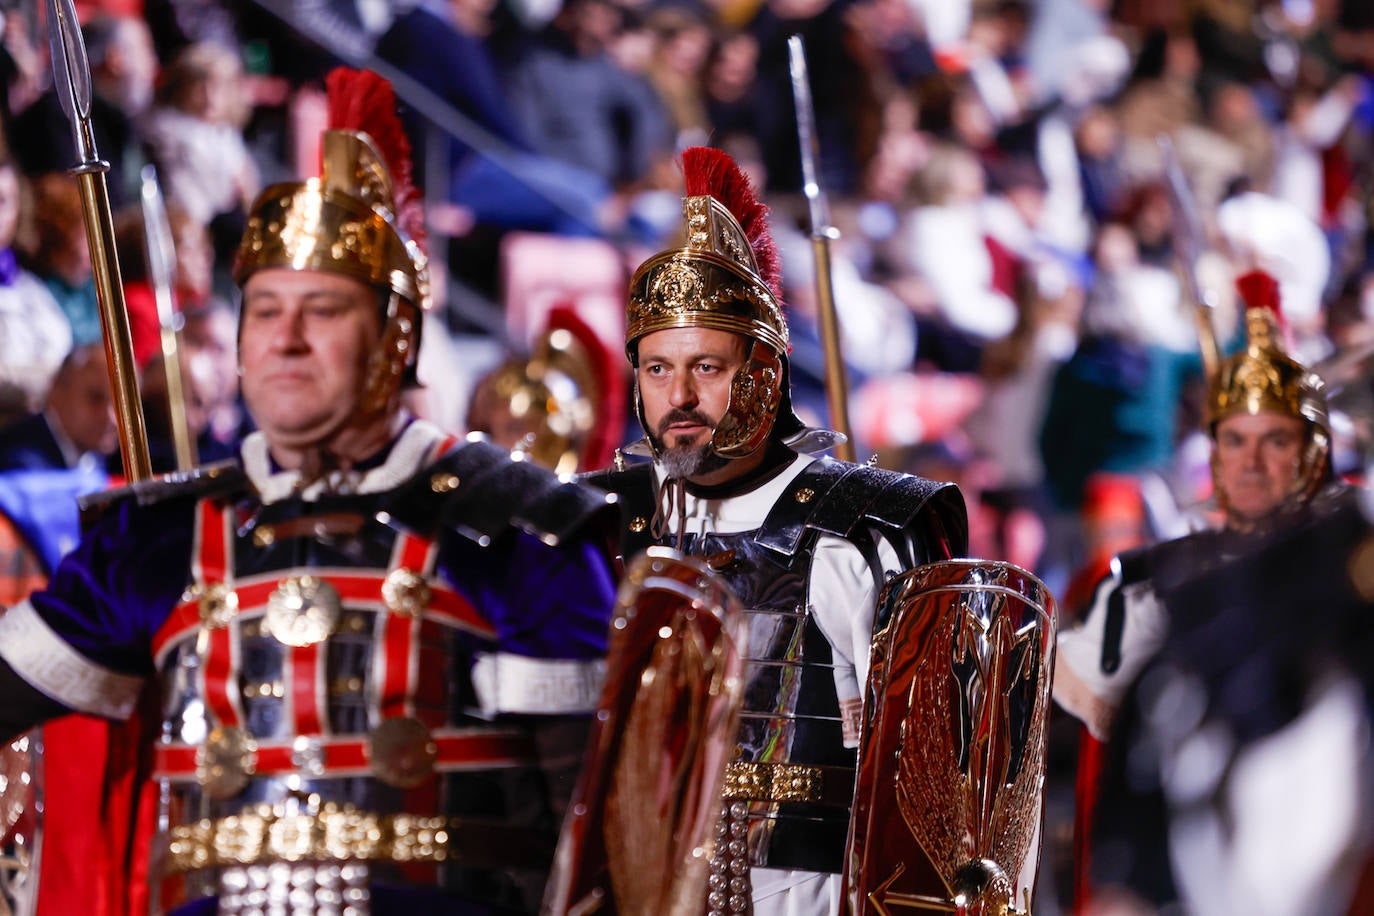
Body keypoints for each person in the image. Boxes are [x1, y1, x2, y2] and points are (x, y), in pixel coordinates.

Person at [0, 68, 617, 915]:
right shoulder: (158, 538)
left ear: (396, 337)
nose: (285, 340)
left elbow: (600, 850)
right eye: (264, 310)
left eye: (322, 310)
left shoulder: (524, 531)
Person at [584, 147, 968, 914]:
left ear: (763, 373)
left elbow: (923, 789)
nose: (680, 396)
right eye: (657, 369)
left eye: (708, 367)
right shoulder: (596, 525)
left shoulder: (861, 528)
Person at [1053, 269, 1340, 741]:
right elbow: (1080, 693)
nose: (1251, 463)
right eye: (1233, 441)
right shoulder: (1147, 582)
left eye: (1275, 441)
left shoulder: (1343, 565)